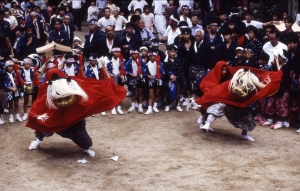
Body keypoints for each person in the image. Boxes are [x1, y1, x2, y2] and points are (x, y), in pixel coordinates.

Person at [26, 67, 126, 156]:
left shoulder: (71, 82)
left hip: (73, 114)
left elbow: (90, 88)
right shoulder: (46, 86)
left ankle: (87, 148)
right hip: (54, 114)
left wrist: (108, 83)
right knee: (44, 124)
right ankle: (37, 141)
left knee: (80, 134)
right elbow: (41, 102)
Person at [196, 61, 283, 141]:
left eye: (225, 69)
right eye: (222, 70)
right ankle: (206, 124)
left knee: (245, 114)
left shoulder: (233, 77)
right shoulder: (210, 75)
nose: (224, 72)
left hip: (235, 100)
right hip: (219, 98)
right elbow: (203, 86)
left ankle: (244, 134)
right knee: (215, 105)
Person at [163, 44, 186, 112]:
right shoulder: (165, 61)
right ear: (168, 52)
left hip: (176, 78)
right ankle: (168, 104)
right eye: (171, 52)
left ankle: (177, 104)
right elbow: (164, 70)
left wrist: (176, 77)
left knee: (177, 91)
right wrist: (169, 76)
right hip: (168, 78)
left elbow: (180, 70)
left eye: (174, 52)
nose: (173, 53)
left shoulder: (178, 60)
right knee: (167, 91)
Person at [144, 49, 164, 115]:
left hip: (158, 80)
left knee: (157, 94)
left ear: (156, 56)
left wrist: (160, 69)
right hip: (151, 80)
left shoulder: (160, 64)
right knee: (150, 95)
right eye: (150, 56)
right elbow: (144, 72)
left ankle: (155, 106)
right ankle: (149, 108)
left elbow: (164, 73)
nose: (152, 57)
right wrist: (147, 75)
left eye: (153, 56)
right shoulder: (147, 64)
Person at [125, 48, 145, 114]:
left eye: (135, 54)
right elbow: (126, 70)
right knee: (133, 93)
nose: (134, 55)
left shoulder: (141, 61)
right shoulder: (129, 61)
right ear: (131, 54)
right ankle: (133, 106)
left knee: (140, 93)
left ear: (138, 54)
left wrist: (141, 74)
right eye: (133, 54)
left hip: (139, 78)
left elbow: (145, 69)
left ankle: (140, 106)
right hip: (133, 78)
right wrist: (129, 73)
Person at [106, 47, 126, 115]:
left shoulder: (122, 60)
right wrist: (110, 73)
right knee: (113, 92)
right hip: (113, 77)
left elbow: (125, 68)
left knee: (120, 92)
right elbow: (107, 69)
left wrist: (122, 73)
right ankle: (113, 107)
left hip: (120, 77)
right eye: (115, 52)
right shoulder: (109, 61)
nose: (117, 53)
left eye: (118, 52)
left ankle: (119, 107)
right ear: (112, 53)